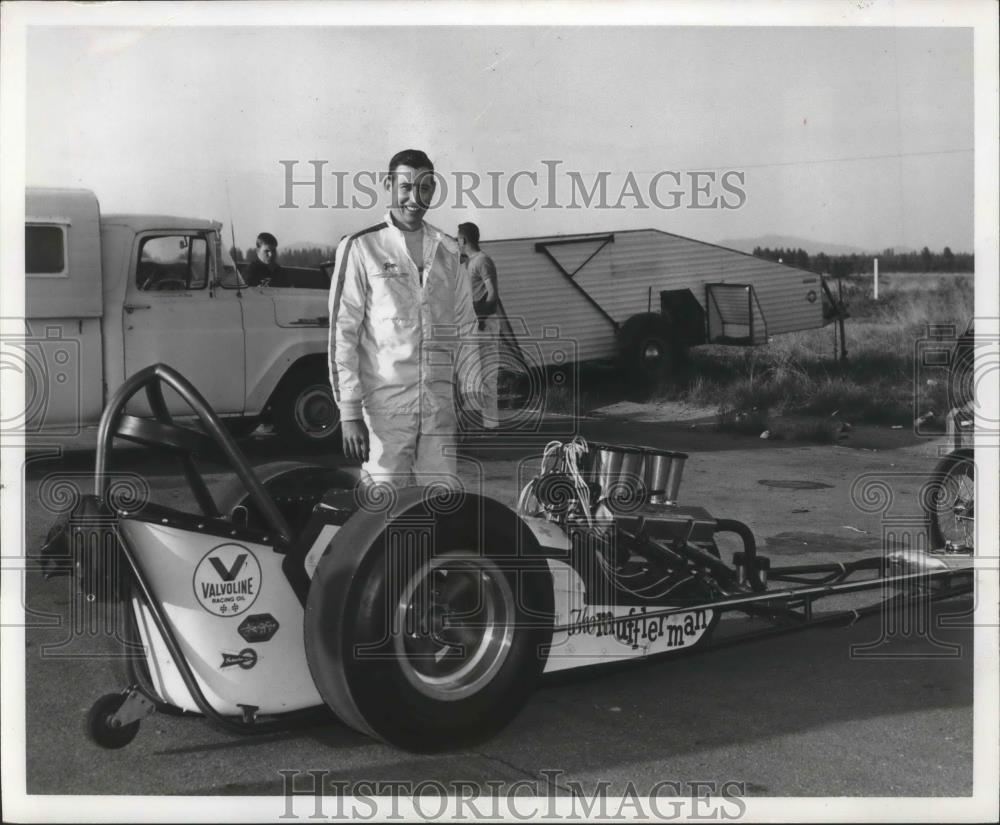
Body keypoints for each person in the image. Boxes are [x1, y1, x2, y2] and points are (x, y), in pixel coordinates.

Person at [328, 149, 482, 488]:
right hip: (385, 411)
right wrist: (349, 412)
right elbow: (343, 332)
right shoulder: (361, 247)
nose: (415, 198)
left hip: (438, 409)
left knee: (442, 507)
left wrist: (470, 394)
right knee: (381, 512)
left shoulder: (448, 251)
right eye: (405, 187)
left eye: (425, 188)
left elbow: (466, 327)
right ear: (388, 184)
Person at [458, 222, 500, 429]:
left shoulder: (482, 261)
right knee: (471, 375)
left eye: (458, 238)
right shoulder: (467, 264)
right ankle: (474, 425)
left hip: (485, 323)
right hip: (472, 324)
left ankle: (491, 426)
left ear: (463, 240)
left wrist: (481, 316)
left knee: (488, 375)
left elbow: (492, 293)